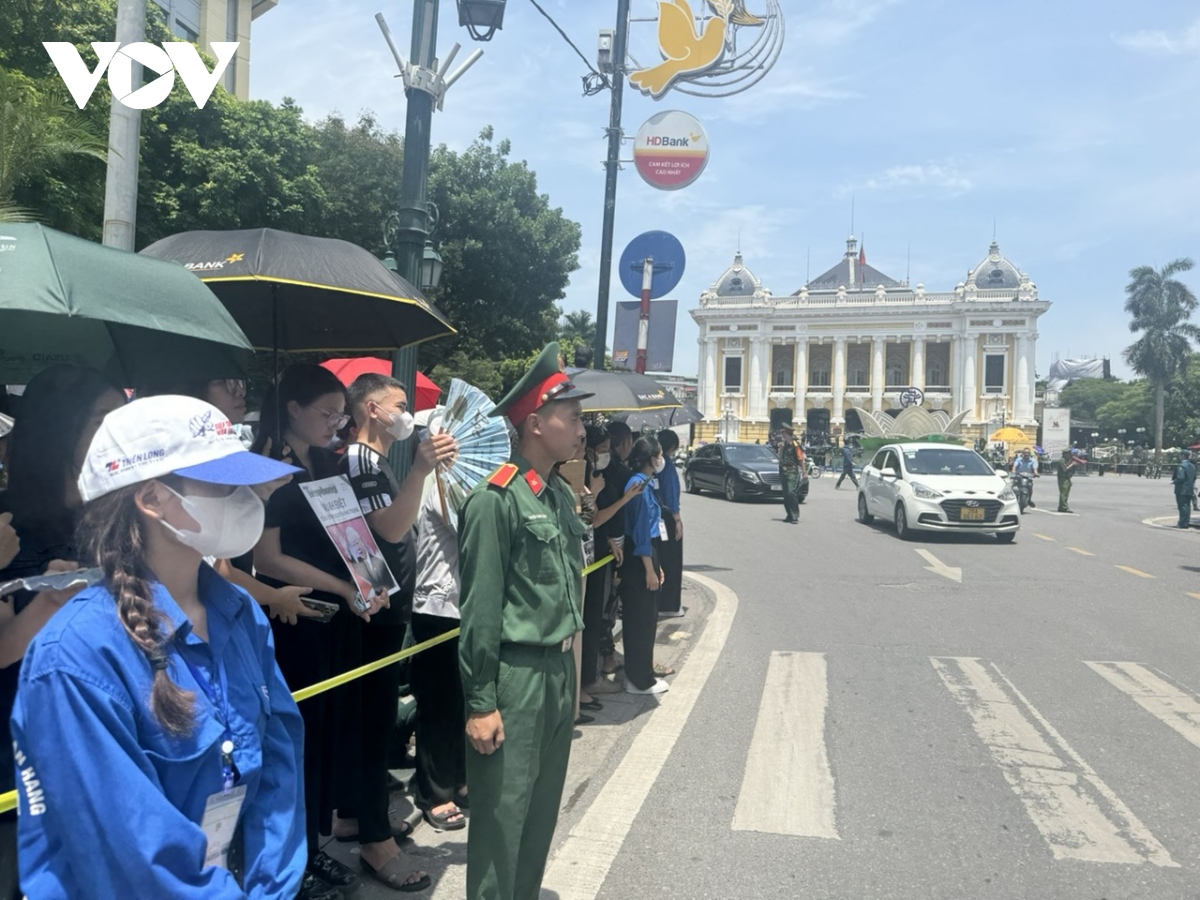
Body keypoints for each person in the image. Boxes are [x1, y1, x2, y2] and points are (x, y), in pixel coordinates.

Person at [11, 395, 306, 898]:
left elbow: (279, 768)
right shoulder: (75, 656)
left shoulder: (238, 612)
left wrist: (271, 888)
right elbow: (134, 851)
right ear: (152, 500)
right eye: (221, 482)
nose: (243, 496)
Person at [457, 342, 591, 900]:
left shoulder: (557, 494)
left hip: (556, 674)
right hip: (515, 677)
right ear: (535, 423)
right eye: (574, 416)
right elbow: (480, 610)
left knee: (539, 814)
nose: (583, 428)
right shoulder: (495, 500)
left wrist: (575, 679)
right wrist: (481, 701)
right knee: (501, 817)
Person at [251, 365, 390, 900]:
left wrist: (371, 581)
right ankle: (291, 862)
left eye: (340, 414)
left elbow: (352, 534)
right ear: (292, 409)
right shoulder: (265, 465)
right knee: (297, 741)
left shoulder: (328, 462)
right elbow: (266, 557)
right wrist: (339, 583)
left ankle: (314, 848)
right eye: (326, 413)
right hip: (295, 619)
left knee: (330, 736)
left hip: (342, 615)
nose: (336, 423)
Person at [0, 365, 126, 900]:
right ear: (61, 425)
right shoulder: (9, 523)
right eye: (102, 418)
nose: (114, 429)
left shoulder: (119, 510)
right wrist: (50, 599)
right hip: (23, 734)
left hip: (103, 720)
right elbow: (4, 653)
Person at [335, 373, 454, 891]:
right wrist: (422, 471)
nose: (407, 415)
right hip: (374, 614)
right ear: (370, 410)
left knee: (370, 718)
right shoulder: (361, 460)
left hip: (380, 608)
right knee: (371, 720)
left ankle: (355, 816)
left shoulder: (373, 461)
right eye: (399, 405)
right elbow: (389, 529)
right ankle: (374, 842)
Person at [580, 425, 641, 698]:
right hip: (587, 560)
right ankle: (589, 679)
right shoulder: (585, 478)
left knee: (599, 612)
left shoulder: (598, 474)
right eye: (602, 450)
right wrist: (622, 498)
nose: (607, 455)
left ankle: (589, 676)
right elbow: (592, 520)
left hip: (599, 551)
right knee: (593, 616)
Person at [620, 435, 668, 695]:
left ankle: (641, 674)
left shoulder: (644, 482)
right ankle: (639, 679)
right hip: (640, 559)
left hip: (648, 554)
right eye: (659, 454)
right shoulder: (637, 486)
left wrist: (655, 565)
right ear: (651, 457)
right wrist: (649, 569)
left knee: (647, 619)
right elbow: (640, 532)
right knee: (640, 620)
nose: (661, 459)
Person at [656, 429, 685, 614]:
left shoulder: (654, 463)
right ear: (673, 446)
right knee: (672, 560)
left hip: (656, 514)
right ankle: (670, 604)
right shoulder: (667, 465)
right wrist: (677, 520)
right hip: (667, 516)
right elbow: (671, 494)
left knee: (660, 556)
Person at [777, 422, 804, 524]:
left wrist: (804, 472)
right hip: (783, 471)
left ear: (786, 433)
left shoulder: (795, 445)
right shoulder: (783, 445)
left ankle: (794, 515)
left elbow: (801, 458)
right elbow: (780, 458)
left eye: (783, 433)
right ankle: (789, 514)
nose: (782, 435)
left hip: (792, 471)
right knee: (785, 494)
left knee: (791, 492)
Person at [1172, 449, 1196, 529]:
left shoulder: (1181, 466)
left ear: (1183, 456)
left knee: (1182, 506)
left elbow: (1180, 477)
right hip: (1189, 488)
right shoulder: (1193, 466)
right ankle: (1186, 521)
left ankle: (1182, 522)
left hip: (1182, 489)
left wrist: (1174, 481)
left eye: (1179, 455)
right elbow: (1194, 478)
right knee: (1187, 506)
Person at [1054, 448, 1081, 513]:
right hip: (1062, 478)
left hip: (1067, 478)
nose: (1070, 455)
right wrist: (1072, 464)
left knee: (1065, 493)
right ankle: (1064, 507)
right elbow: (1065, 469)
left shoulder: (1067, 460)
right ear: (1065, 454)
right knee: (1064, 494)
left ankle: (1061, 507)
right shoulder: (1061, 460)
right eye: (1069, 453)